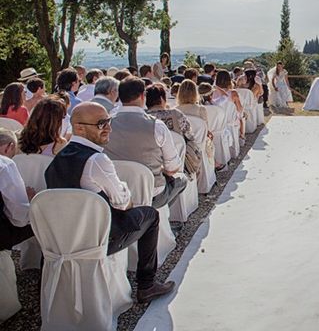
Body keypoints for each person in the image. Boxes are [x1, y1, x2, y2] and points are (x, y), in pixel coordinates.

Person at [44, 102, 175, 302]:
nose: (109, 128)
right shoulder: (96, 160)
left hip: (62, 237)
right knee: (151, 215)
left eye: (109, 121)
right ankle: (147, 284)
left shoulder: (58, 156)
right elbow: (123, 202)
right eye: (101, 124)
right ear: (79, 127)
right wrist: (128, 200)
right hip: (98, 239)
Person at [103, 78, 186, 209]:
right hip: (151, 193)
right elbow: (173, 168)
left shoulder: (106, 125)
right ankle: (160, 215)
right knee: (181, 180)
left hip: (115, 192)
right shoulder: (156, 126)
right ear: (143, 96)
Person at [146, 84, 202, 180]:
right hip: (178, 161)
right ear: (162, 99)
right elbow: (190, 136)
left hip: (150, 165)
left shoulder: (143, 117)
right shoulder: (176, 114)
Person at [0, 128, 35, 252]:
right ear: (9, 147)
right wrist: (29, 200)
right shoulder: (5, 164)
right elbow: (18, 217)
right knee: (40, 220)